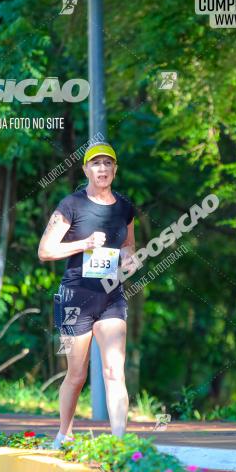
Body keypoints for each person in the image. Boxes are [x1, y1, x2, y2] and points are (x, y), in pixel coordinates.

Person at [38, 143, 136, 450]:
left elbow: (128, 245)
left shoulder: (124, 207)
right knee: (77, 374)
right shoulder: (71, 205)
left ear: (115, 170)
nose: (102, 169)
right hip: (75, 298)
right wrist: (84, 243)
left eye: (108, 163)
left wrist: (130, 260)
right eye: (96, 164)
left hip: (111, 296)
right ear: (86, 170)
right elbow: (45, 251)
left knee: (113, 369)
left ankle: (118, 443)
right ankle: (64, 433)